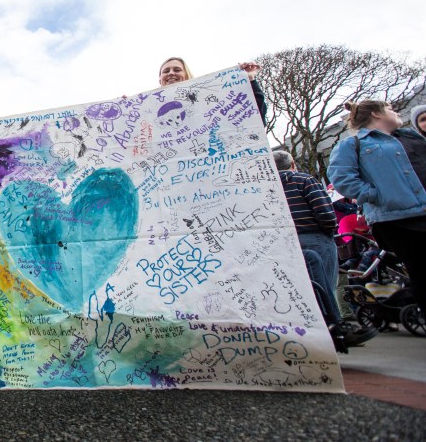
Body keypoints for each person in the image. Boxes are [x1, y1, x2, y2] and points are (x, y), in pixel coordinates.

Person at [328, 100, 426, 327]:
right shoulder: (352, 144)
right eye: (390, 109)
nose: (395, 112)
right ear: (376, 113)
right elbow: (342, 178)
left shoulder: (410, 136)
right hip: (397, 219)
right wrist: (376, 194)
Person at [272, 150, 376, 347]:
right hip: (314, 237)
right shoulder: (304, 180)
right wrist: (329, 229)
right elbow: (325, 213)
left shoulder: (267, 186)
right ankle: (335, 330)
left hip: (284, 243)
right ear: (292, 164)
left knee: (299, 290)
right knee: (325, 285)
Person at [157, 57, 267, 125]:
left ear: (187, 75)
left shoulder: (209, 101)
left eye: (177, 70)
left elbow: (254, 117)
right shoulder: (149, 112)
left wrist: (249, 80)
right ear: (160, 79)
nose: (171, 73)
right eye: (166, 71)